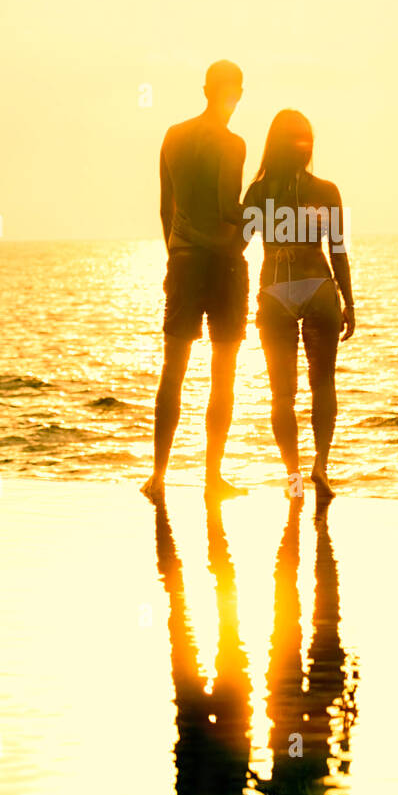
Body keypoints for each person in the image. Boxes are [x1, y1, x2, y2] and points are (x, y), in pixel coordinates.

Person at [141, 60, 249, 506]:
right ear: (237, 92)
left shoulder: (173, 136)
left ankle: (158, 475)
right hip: (223, 264)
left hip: (182, 261)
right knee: (222, 373)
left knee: (174, 370)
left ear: (206, 89)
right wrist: (260, 215)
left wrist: (178, 253)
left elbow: (166, 209)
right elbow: (228, 208)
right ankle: (212, 477)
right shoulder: (233, 144)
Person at [242, 110, 355, 505]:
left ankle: (293, 477)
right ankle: (320, 465)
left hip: (275, 288)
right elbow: (337, 251)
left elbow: (237, 246)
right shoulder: (327, 191)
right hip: (319, 284)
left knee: (281, 395)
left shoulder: (258, 193)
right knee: (322, 382)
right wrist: (350, 302)